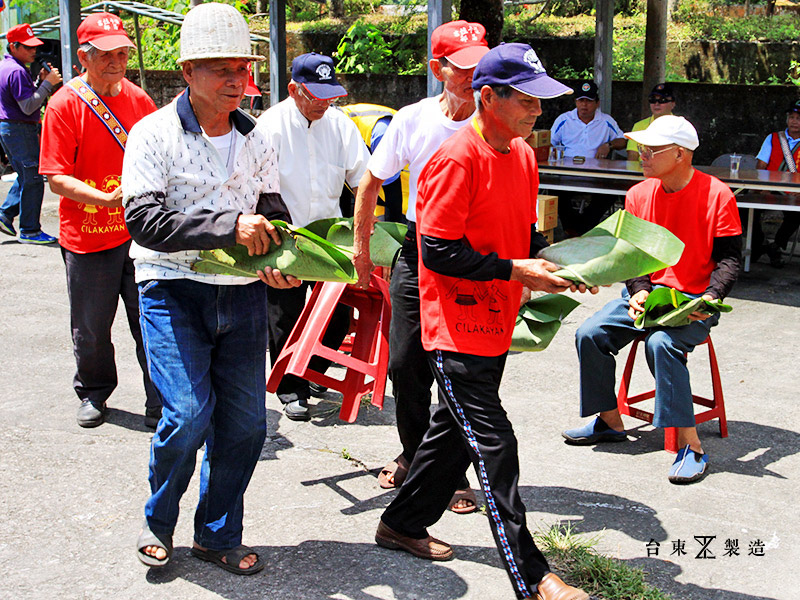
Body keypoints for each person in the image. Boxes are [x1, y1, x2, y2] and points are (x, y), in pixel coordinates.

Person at [374, 43, 594, 600]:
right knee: (495, 443)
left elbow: (522, 234)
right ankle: (534, 576)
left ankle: (400, 523)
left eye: (541, 101)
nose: (537, 112)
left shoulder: (522, 154)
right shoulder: (454, 158)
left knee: (454, 433)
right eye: (526, 100)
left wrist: (560, 266)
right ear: (488, 97)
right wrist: (515, 269)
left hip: (496, 317)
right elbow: (438, 252)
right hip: (453, 323)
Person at [122, 2, 299, 573]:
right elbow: (145, 222)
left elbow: (271, 210)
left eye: (241, 69)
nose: (236, 80)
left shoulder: (258, 137)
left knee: (246, 424)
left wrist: (285, 257)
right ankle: (159, 519)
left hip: (243, 294)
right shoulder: (153, 133)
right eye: (220, 68)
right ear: (187, 73)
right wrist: (228, 225)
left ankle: (217, 533)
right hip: (171, 289)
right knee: (189, 414)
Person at [352, 20, 489, 515]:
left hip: (476, 254)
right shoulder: (413, 119)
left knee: (458, 369)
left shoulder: (495, 121)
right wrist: (362, 251)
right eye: (464, 68)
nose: (476, 77)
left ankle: (449, 472)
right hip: (420, 248)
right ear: (438, 69)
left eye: (481, 65)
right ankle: (414, 454)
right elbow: (370, 183)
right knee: (405, 365)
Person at [562, 116, 742, 485]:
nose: (641, 154)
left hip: (694, 298)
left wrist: (709, 298)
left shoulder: (717, 195)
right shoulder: (639, 194)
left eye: (651, 149)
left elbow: (729, 260)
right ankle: (609, 419)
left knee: (661, 344)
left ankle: (691, 446)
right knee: (589, 333)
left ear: (680, 154)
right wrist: (639, 289)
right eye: (640, 147)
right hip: (650, 295)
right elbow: (631, 254)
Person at [38, 12, 160, 429]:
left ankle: (159, 399)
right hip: (87, 238)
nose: (117, 61)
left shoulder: (139, 100)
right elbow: (56, 178)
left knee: (151, 321)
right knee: (91, 329)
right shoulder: (63, 105)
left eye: (123, 53)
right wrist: (105, 199)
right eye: (106, 54)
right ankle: (93, 391)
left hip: (139, 234)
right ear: (83, 58)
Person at [256, 53, 369, 421]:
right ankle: (291, 388)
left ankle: (313, 367)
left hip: (329, 237)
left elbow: (363, 179)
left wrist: (366, 234)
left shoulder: (340, 126)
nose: (324, 103)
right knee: (284, 317)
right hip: (284, 236)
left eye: (330, 95)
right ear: (293, 90)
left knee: (338, 317)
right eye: (315, 96)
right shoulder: (268, 127)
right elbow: (256, 187)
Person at [0, 23, 61, 243]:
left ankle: (6, 215)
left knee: (26, 175)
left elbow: (24, 98)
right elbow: (28, 106)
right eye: (27, 47)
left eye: (34, 47)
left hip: (11, 128)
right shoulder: (16, 71)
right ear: (13, 46)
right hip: (19, 127)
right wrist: (47, 84)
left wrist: (39, 82)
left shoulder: (8, 67)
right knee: (34, 177)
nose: (33, 51)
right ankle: (30, 230)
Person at [550, 80, 626, 236]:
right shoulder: (564, 120)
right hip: (567, 174)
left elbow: (623, 140)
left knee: (610, 194)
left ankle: (582, 229)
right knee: (554, 191)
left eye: (589, 101)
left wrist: (609, 145)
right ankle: (574, 229)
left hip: (596, 175)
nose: (584, 105)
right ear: (575, 101)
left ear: (597, 103)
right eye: (580, 100)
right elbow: (549, 141)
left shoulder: (606, 121)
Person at [748, 99, 800, 267]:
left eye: (799, 118)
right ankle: (759, 243)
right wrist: (762, 187)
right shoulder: (774, 138)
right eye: (791, 117)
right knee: (747, 209)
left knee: (797, 214)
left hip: (795, 192)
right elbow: (761, 167)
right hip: (770, 189)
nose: (794, 121)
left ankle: (776, 246)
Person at [340, 102, 408, 224]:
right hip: (377, 196)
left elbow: (392, 192)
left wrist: (393, 236)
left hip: (406, 199)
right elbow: (341, 185)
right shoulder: (334, 121)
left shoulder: (379, 132)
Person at [626, 82, 676, 161]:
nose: (656, 104)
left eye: (662, 100)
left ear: (672, 104)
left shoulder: (680, 126)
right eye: (652, 100)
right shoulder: (639, 126)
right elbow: (632, 157)